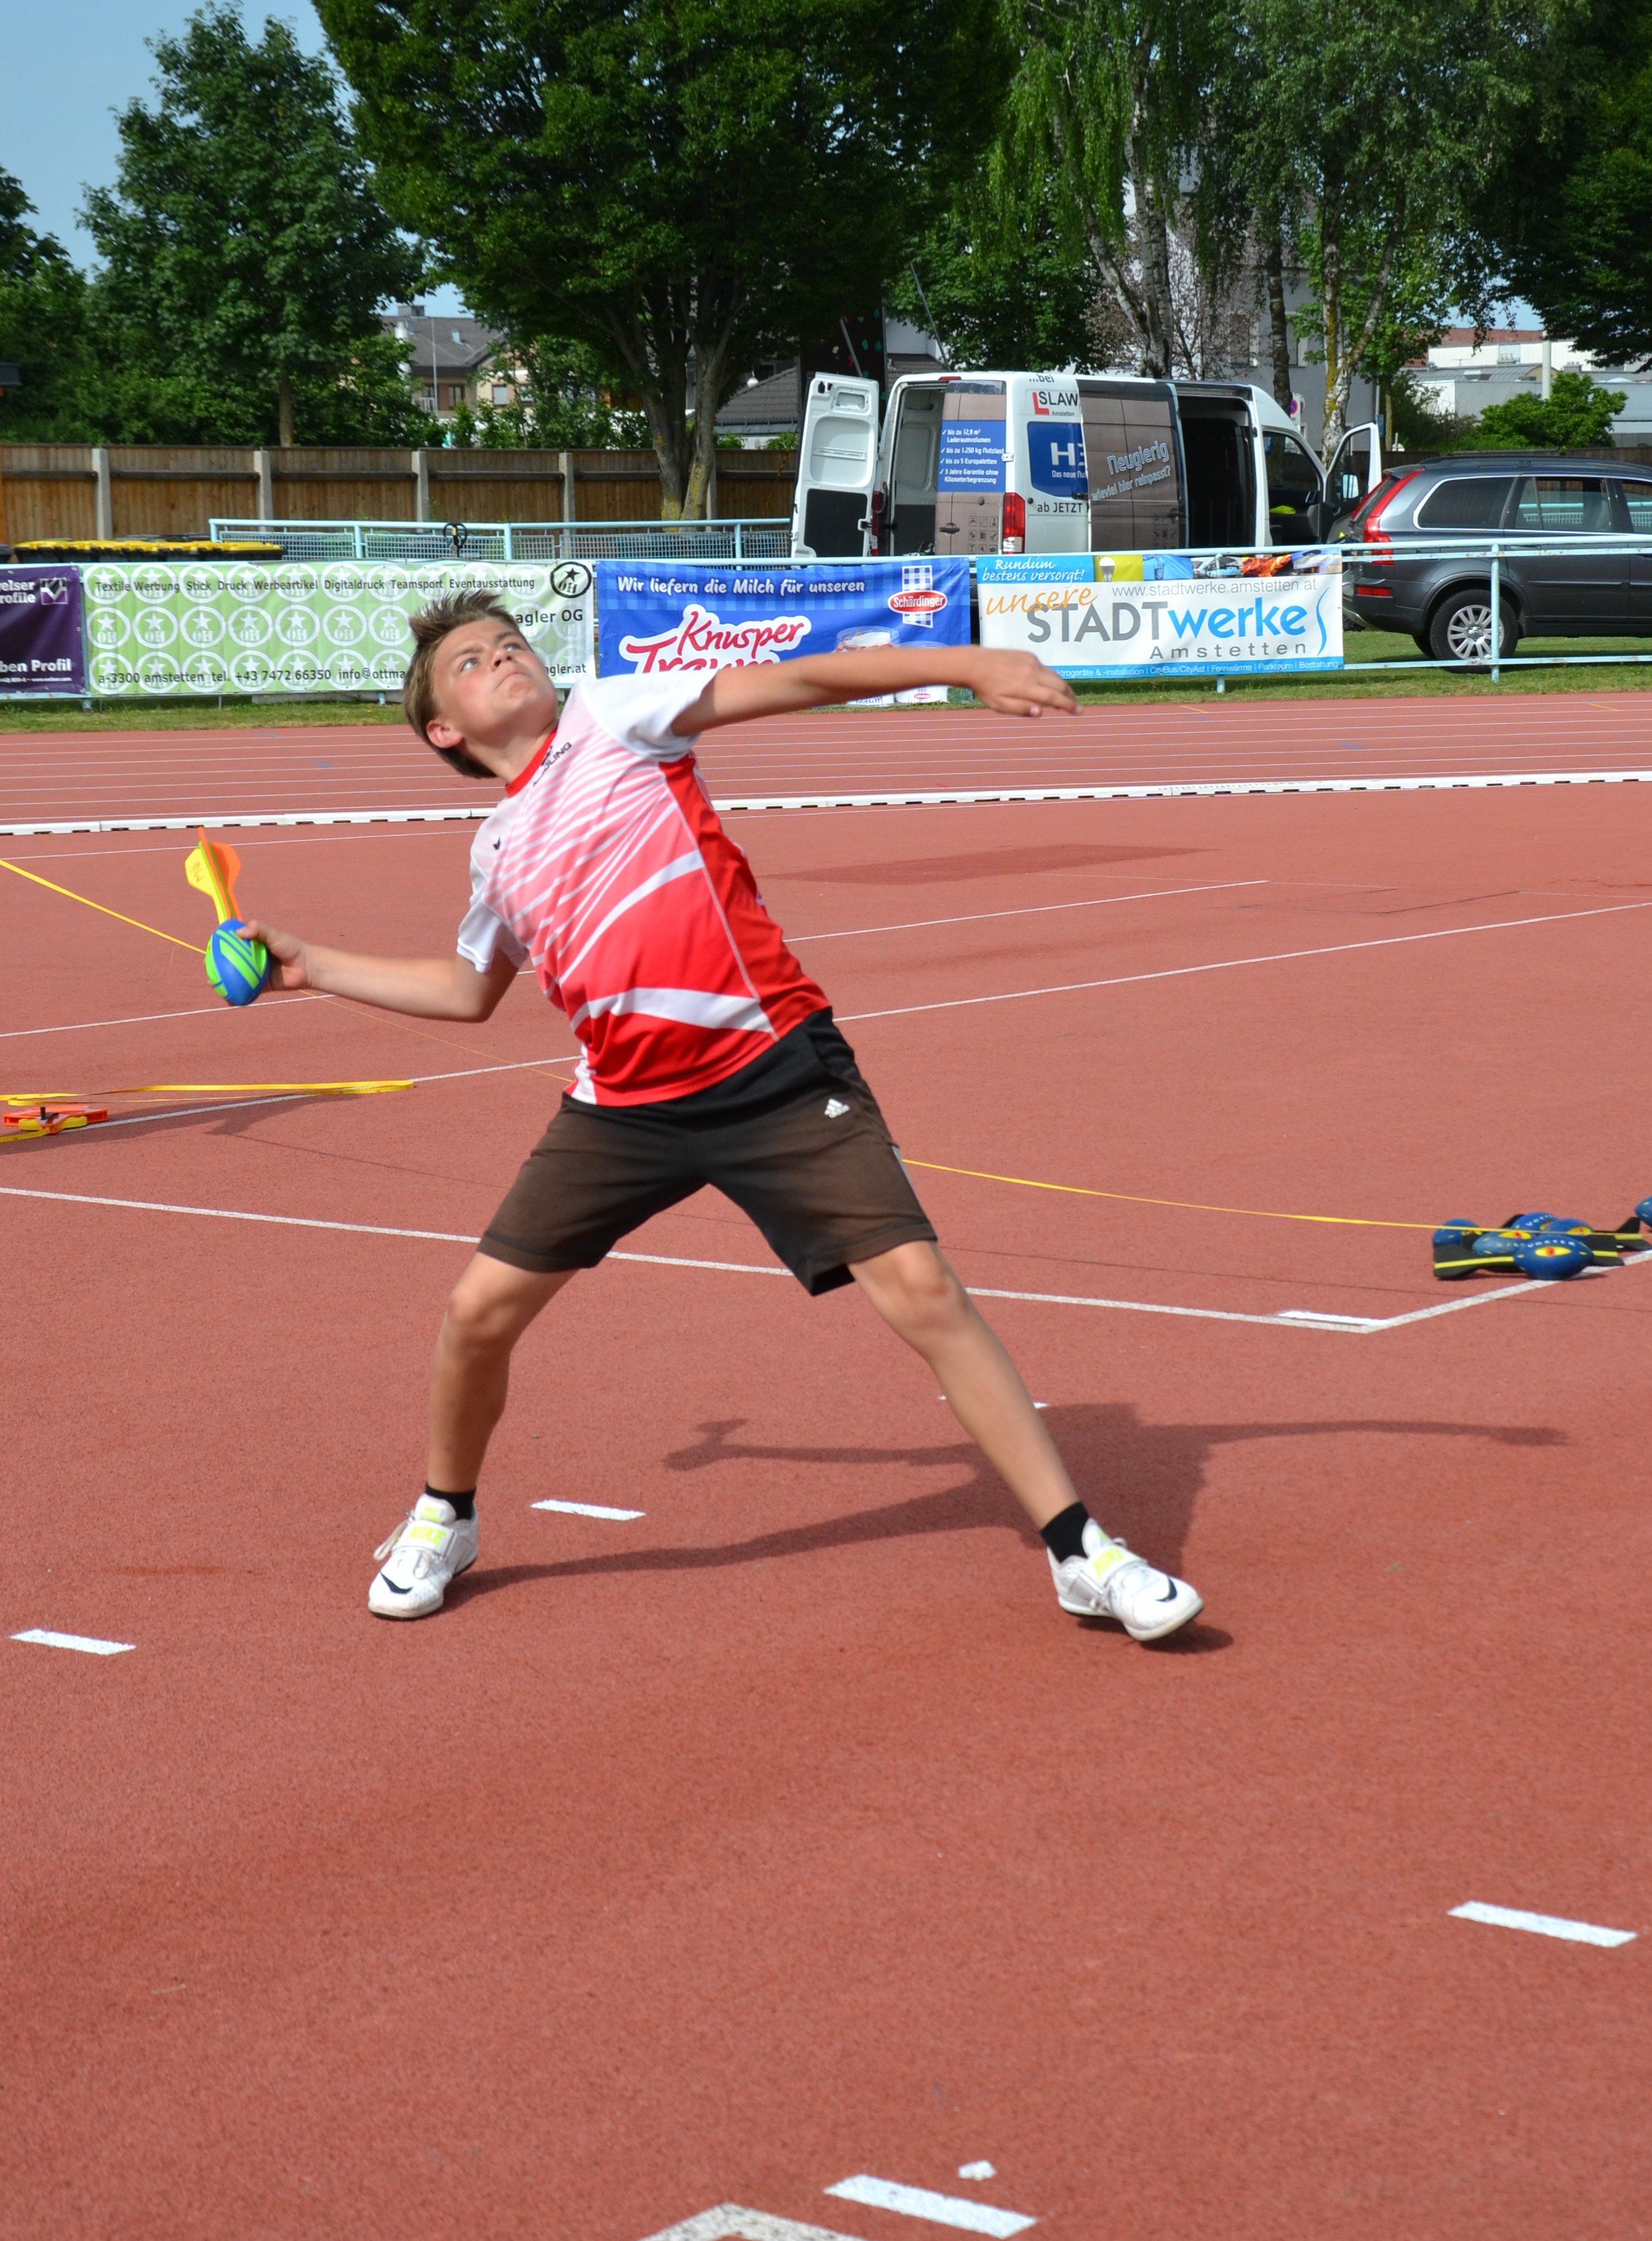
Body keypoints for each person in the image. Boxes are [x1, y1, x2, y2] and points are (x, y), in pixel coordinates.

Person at [243, 591, 1202, 1642]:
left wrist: (967, 664)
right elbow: (469, 988)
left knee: (923, 1290)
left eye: (510, 643)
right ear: (443, 730)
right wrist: (310, 966)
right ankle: (446, 1513)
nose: (503, 656)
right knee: (476, 1313)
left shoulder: (613, 717)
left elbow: (797, 679)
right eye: (470, 661)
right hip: (622, 1111)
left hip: (772, 1073)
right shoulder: (497, 848)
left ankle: (1079, 1552)